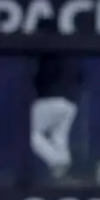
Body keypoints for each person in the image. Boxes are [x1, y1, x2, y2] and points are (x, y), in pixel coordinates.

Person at [30, 23, 81, 184]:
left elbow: (40, 77)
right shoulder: (69, 51)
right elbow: (81, 76)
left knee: (32, 135)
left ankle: (57, 162)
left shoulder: (47, 51)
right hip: (70, 104)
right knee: (58, 136)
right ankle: (63, 170)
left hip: (49, 98)